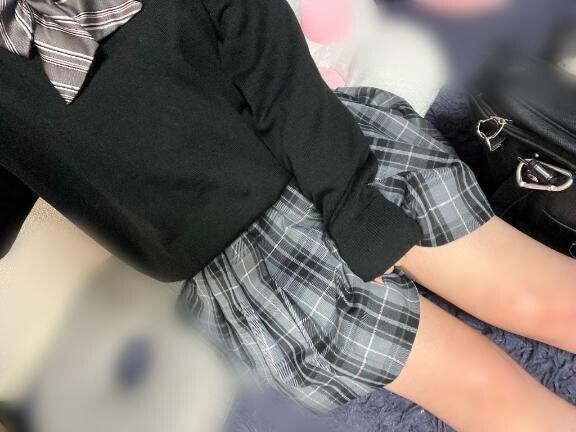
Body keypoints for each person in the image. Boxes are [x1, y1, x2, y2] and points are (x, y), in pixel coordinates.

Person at [0, 0, 574, 430]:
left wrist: (353, 205)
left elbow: (261, 42)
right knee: (486, 395)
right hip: (245, 270)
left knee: (542, 298)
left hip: (317, 154)